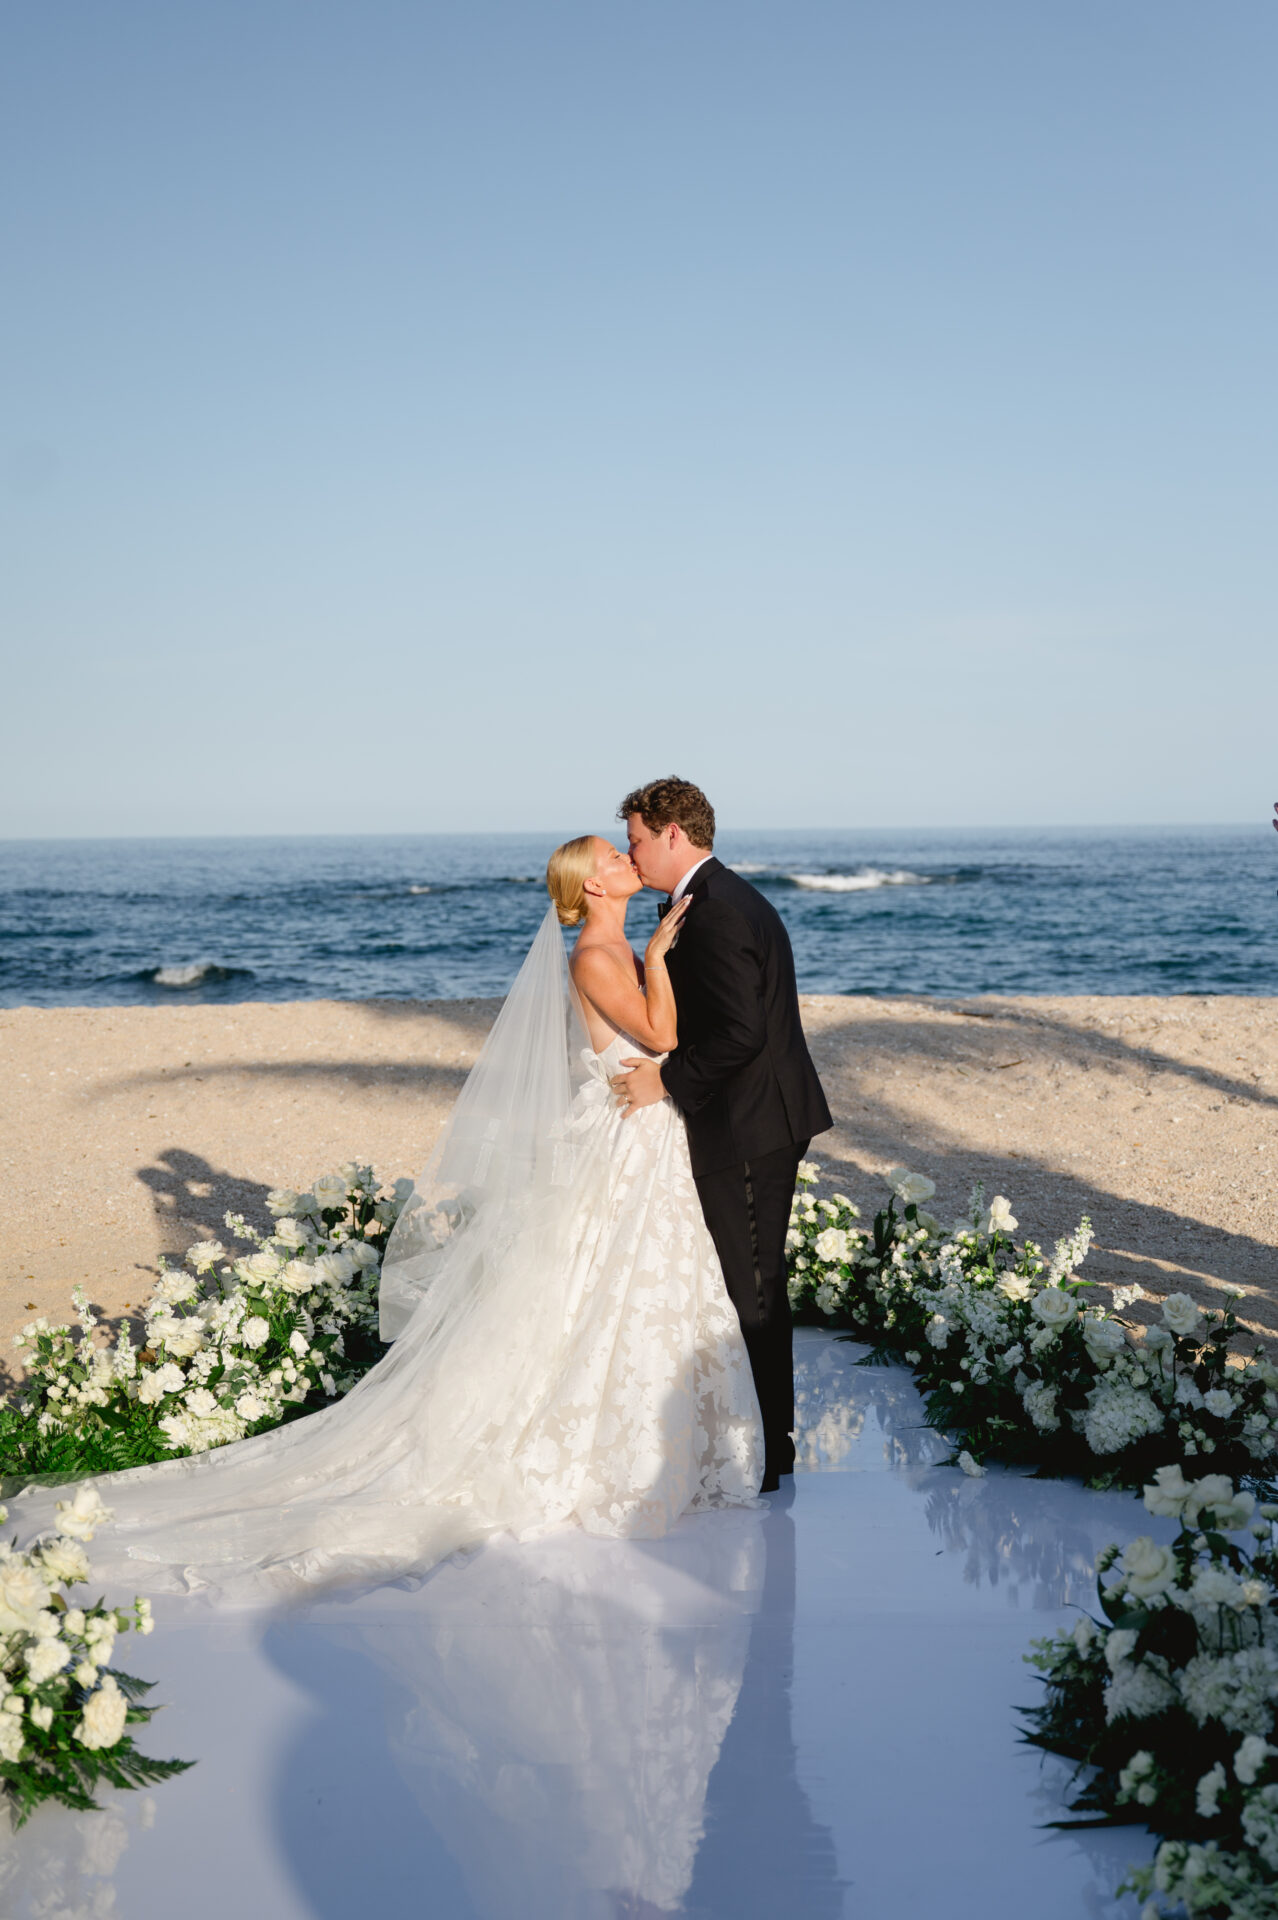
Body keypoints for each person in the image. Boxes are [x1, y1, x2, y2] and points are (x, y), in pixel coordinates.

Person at [12, 835, 764, 1604]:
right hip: (625, 1139)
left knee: (626, 1288)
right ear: (593, 886)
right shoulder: (600, 955)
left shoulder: (612, 943)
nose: (625, 860)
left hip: (635, 1138)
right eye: (613, 856)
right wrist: (662, 960)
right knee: (610, 1287)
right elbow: (665, 1039)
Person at [611, 778, 833, 1491]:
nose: (630, 852)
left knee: (754, 1288)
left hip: (750, 1123)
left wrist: (665, 1081)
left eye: (638, 839)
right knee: (757, 1281)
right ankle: (774, 1444)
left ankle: (772, 1456)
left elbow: (741, 1032)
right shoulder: (715, 900)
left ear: (674, 834)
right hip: (759, 1115)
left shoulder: (718, 914)